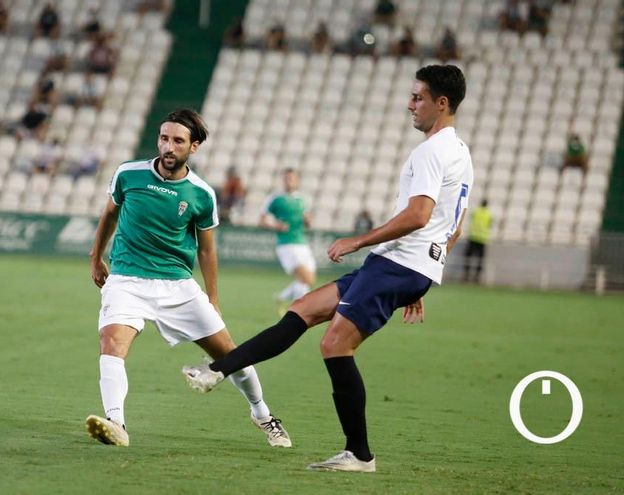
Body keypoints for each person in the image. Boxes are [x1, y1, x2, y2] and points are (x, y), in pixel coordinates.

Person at [183, 65, 473, 473]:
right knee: (304, 308)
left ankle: (360, 455)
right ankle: (216, 370)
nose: (410, 105)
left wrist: (359, 241)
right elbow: (454, 225)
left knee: (335, 344)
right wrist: (425, 275)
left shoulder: (431, 151)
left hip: (399, 262)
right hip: (406, 265)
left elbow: (418, 215)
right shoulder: (460, 152)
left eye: (418, 97)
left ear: (442, 103)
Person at [85, 109, 292, 449]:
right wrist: (96, 257)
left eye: (178, 141)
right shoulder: (128, 174)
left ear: (193, 147)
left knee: (232, 356)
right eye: (164, 138)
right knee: (111, 343)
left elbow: (207, 251)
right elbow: (110, 214)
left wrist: (213, 298)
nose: (168, 147)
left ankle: (263, 414)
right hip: (126, 279)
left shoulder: (201, 194)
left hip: (177, 286)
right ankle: (116, 423)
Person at [260, 169, 316, 307]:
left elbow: (307, 223)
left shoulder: (302, 200)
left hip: (303, 243)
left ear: (297, 181)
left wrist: (308, 220)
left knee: (308, 280)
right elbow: (262, 220)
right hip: (286, 244)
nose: (288, 181)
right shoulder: (275, 199)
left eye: (291, 178)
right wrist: (275, 225)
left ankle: (282, 298)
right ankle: (298, 309)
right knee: (306, 278)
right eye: (286, 178)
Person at [463, 199, 491, 284]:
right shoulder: (489, 214)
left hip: (473, 237)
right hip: (482, 239)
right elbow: (490, 224)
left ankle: (466, 275)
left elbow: (471, 219)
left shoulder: (475, 211)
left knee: (468, 257)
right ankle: (477, 276)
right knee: (480, 259)